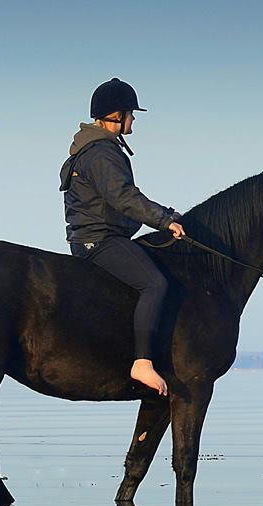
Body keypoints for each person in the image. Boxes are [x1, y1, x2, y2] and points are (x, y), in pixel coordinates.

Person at [60, 78, 185, 397]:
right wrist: (165, 219)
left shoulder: (96, 148)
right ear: (116, 115)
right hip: (100, 240)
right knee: (155, 283)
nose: (134, 119)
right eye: (131, 112)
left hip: (99, 235)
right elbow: (124, 198)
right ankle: (141, 362)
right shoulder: (102, 152)